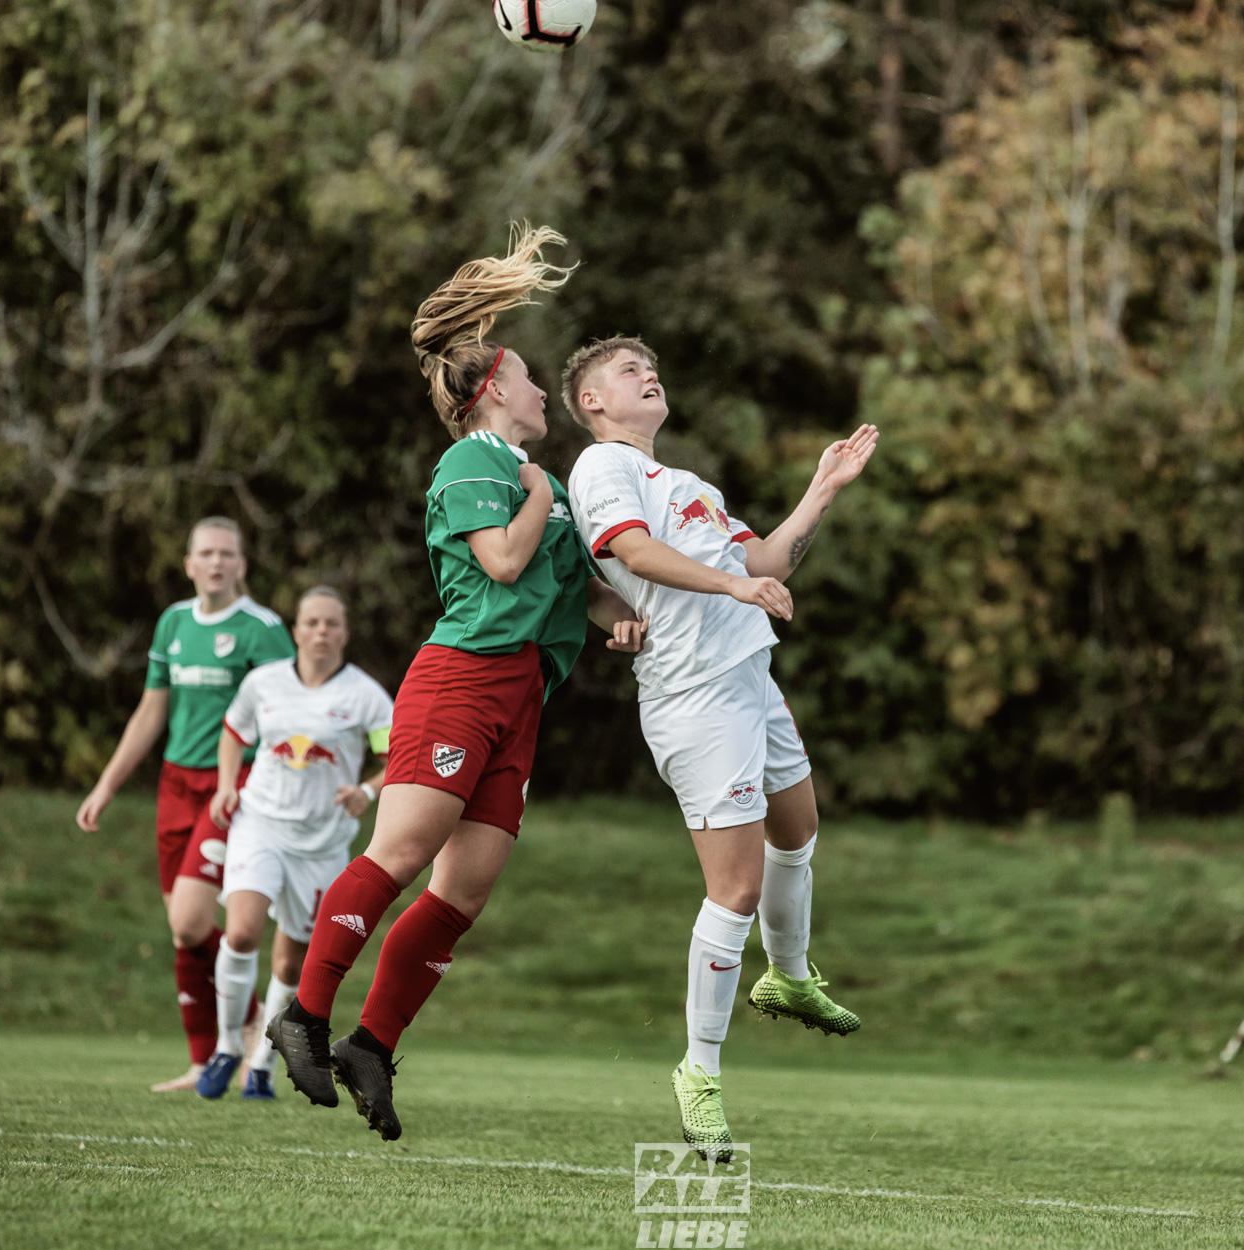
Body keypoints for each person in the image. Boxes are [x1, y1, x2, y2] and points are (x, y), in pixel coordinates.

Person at [268, 225, 645, 1139]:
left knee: (464, 892)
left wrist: (625, 618)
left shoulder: (536, 480)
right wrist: (543, 496)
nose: (541, 389)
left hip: (520, 698)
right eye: (529, 378)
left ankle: (370, 1044)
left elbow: (578, 589)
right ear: (494, 391)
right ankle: (303, 1016)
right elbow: (506, 563)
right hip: (462, 680)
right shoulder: (475, 462)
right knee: (399, 854)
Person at [562, 335, 877, 1158]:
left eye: (651, 366)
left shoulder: (690, 485)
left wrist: (822, 487)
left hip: (748, 679)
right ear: (593, 401)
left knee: (798, 831)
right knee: (734, 890)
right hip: (695, 695)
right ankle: (698, 1072)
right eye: (628, 370)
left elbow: (767, 560)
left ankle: (790, 977)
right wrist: (736, 584)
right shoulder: (602, 467)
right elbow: (632, 552)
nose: (648, 374)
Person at [75, 518, 293, 1090]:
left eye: (227, 553)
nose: (217, 562)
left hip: (234, 786)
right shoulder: (173, 622)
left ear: (242, 565)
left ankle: (252, 1022)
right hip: (175, 785)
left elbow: (286, 715)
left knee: (191, 919)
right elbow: (151, 712)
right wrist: (107, 785)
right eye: (206, 553)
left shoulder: (263, 629)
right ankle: (206, 1060)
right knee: (185, 933)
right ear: (188, 564)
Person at [196, 587, 394, 1101]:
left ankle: (261, 1066)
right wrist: (225, 785)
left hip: (322, 845)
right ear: (296, 630)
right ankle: (226, 1047)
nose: (321, 631)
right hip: (259, 825)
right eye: (311, 622)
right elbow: (233, 733)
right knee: (241, 933)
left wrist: (368, 791)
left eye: (331, 623)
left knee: (289, 966)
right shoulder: (264, 683)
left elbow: (395, 755)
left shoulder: (365, 696)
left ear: (344, 633)